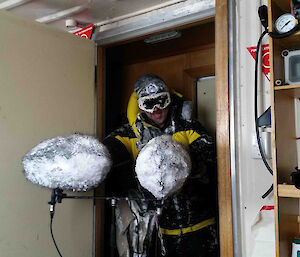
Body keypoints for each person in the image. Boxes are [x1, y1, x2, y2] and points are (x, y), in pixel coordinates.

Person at [103, 74, 219, 257]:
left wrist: (191, 164)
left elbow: (214, 156)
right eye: (149, 104)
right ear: (140, 106)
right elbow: (105, 154)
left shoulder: (188, 126)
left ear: (169, 99)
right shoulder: (129, 134)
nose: (156, 109)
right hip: (160, 231)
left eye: (161, 101)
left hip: (201, 225)